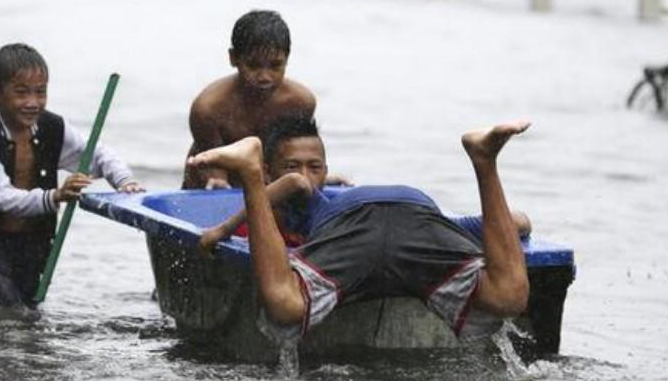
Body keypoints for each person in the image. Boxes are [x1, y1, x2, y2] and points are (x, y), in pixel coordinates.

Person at [189, 119, 532, 346]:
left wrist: (222, 230)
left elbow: (293, 183)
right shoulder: (331, 195)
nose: (305, 174)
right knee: (508, 296)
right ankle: (484, 161)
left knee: (285, 305)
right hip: (417, 212)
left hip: (357, 229)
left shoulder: (316, 203)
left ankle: (247, 169)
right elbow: (518, 223)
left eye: (315, 167)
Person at [0, 43, 142, 310]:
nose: (32, 103)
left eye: (40, 92)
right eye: (21, 93)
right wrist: (55, 196)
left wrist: (124, 181)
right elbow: (2, 197)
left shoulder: (52, 128)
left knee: (29, 320)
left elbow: (97, 154)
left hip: (34, 246)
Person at [181, 9, 317, 189]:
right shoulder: (209, 109)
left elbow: (298, 157)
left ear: (287, 59)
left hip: (269, 186)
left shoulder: (300, 103)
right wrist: (217, 183)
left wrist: (317, 179)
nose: (265, 77)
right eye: (253, 65)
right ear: (233, 58)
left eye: (275, 65)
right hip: (209, 187)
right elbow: (213, 168)